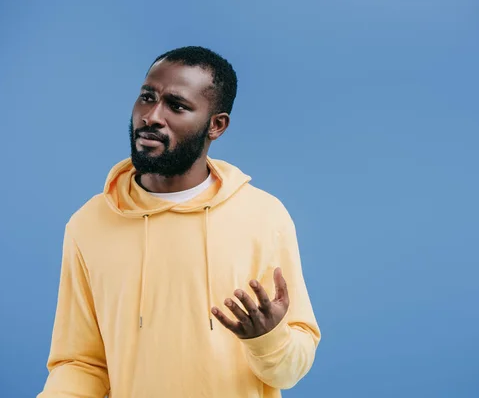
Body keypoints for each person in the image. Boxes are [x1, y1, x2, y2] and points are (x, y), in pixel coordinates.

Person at [38, 46, 321, 397]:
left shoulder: (264, 216)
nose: (152, 116)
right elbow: (81, 363)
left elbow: (290, 370)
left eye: (176, 105)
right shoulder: (89, 223)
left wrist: (268, 339)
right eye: (147, 97)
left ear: (216, 125)